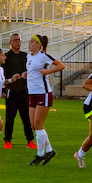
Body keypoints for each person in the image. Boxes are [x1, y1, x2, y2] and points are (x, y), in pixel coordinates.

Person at [25, 34, 64, 165]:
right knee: (33, 126)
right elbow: (33, 71)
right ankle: (49, 150)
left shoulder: (43, 55)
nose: (29, 44)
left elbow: (60, 66)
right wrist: (26, 74)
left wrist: (48, 72)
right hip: (32, 93)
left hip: (43, 93)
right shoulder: (28, 57)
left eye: (31, 42)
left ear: (38, 44)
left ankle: (40, 154)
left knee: (38, 125)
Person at [0, 33, 33, 149]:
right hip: (11, 92)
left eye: (19, 40)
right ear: (10, 43)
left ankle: (30, 140)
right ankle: (7, 140)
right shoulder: (6, 57)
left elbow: (32, 70)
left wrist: (27, 74)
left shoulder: (26, 56)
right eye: (15, 40)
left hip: (24, 92)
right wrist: (2, 89)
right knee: (10, 118)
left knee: (27, 118)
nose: (17, 42)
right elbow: (1, 75)